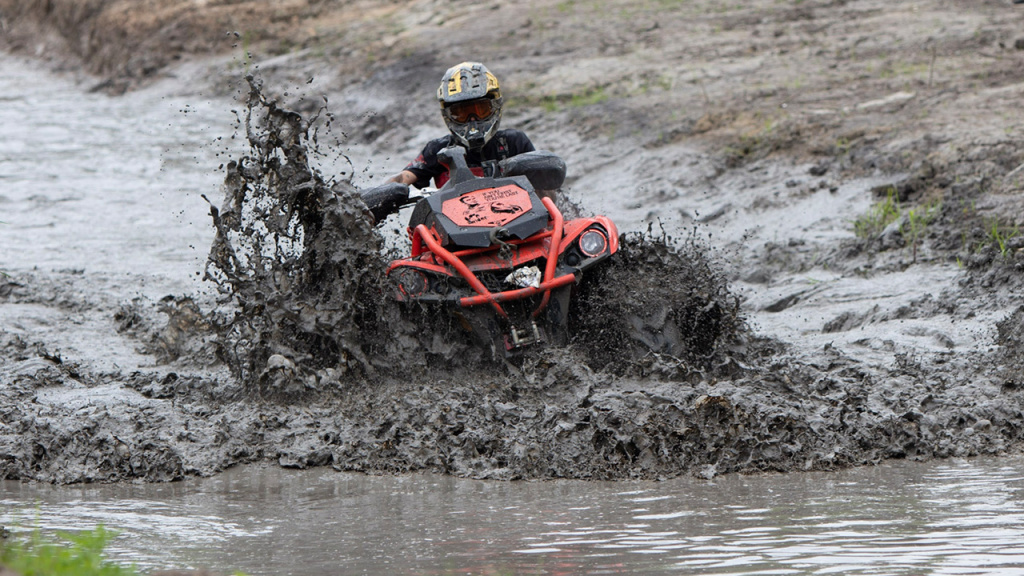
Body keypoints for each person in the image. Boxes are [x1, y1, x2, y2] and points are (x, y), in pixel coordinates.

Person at [386, 61, 537, 190]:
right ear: (448, 115)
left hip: (517, 218)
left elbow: (547, 188)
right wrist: (385, 193)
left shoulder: (515, 143)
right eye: (461, 113)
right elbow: (402, 177)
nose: (472, 120)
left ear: (495, 106)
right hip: (454, 222)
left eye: (480, 110)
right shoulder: (438, 150)